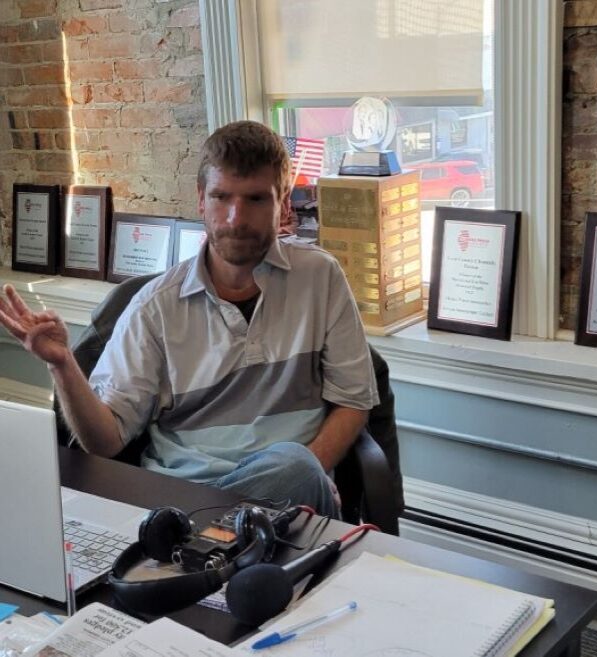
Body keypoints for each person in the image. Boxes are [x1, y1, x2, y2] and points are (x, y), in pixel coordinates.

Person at [0, 121, 378, 518]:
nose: (236, 218)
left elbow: (353, 401)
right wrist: (61, 364)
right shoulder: (155, 306)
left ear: (283, 201)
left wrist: (312, 471)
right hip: (183, 494)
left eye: (255, 199)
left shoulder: (321, 278)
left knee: (292, 467)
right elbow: (105, 442)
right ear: (201, 200)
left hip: (281, 501)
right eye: (221, 197)